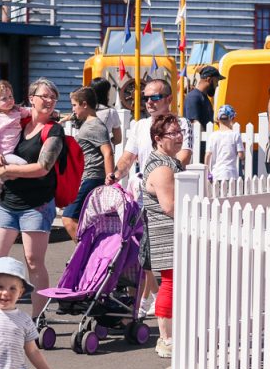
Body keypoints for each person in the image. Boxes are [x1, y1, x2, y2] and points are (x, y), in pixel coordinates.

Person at [107, 79, 191, 319]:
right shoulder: (139, 125)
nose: (148, 103)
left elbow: (184, 155)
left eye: (154, 97)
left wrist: (159, 172)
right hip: (143, 193)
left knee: (161, 256)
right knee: (143, 252)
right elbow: (127, 157)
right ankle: (149, 299)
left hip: (165, 192)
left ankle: (152, 300)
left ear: (168, 99)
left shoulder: (181, 124)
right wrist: (116, 174)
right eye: (145, 98)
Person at [0, 78, 65, 320]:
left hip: (36, 205)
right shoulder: (18, 120)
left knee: (33, 260)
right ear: (32, 98)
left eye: (53, 97)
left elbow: (43, 167)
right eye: (44, 96)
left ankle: (37, 318)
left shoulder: (54, 130)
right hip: (8, 202)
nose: (49, 101)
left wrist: (9, 172)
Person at [141, 114, 184, 358]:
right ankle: (166, 338)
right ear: (158, 139)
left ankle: (170, 335)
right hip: (166, 232)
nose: (178, 137)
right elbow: (170, 206)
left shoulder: (171, 162)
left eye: (180, 132)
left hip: (171, 231)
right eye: (172, 133)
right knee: (169, 282)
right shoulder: (162, 167)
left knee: (173, 282)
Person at [61, 87, 114, 241]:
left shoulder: (95, 126)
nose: (72, 109)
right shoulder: (88, 124)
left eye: (74, 105)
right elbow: (73, 117)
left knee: (68, 219)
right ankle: (87, 254)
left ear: (84, 104)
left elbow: (108, 152)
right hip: (86, 177)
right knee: (84, 219)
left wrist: (109, 179)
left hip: (92, 177)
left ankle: (86, 253)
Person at [0, 80, 31, 222]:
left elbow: (31, 112)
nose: (9, 100)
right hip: (1, 153)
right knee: (24, 166)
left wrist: (52, 114)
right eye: (4, 98)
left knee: (1, 181)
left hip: (9, 152)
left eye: (11, 96)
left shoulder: (16, 111)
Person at [204, 104, 244, 182]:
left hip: (216, 174)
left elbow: (208, 155)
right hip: (231, 174)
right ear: (232, 118)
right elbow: (241, 155)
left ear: (218, 119)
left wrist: (208, 171)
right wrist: (243, 154)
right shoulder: (235, 135)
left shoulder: (213, 135)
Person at [90, 77, 122, 146]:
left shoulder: (85, 109)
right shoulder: (111, 112)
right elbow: (118, 139)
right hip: (104, 152)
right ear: (106, 93)